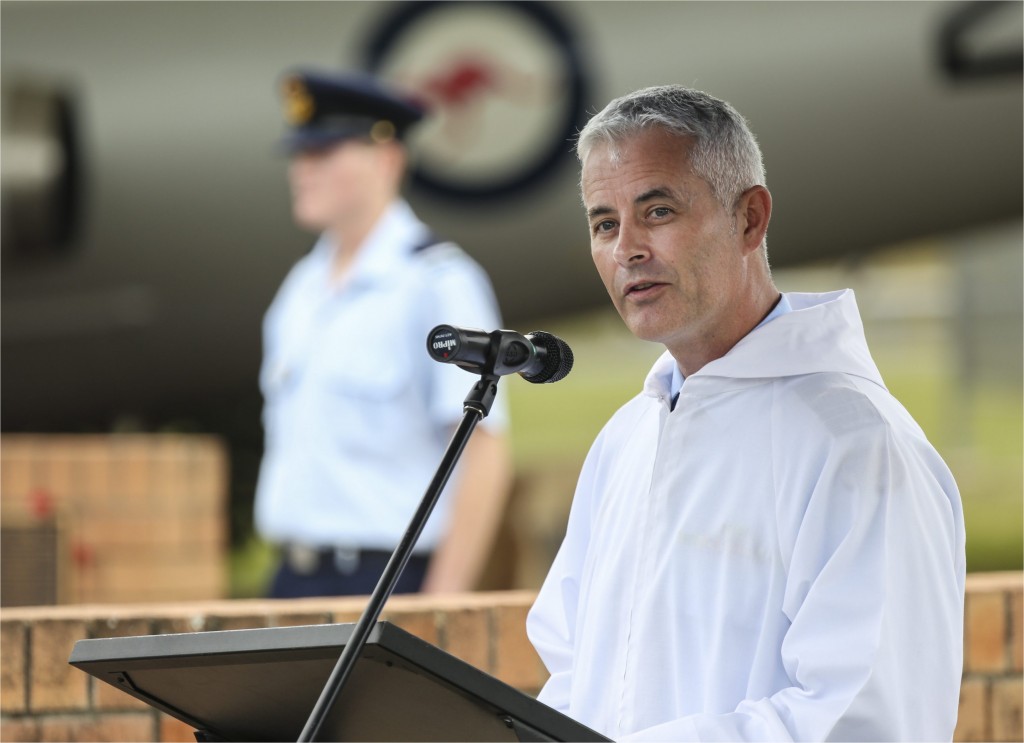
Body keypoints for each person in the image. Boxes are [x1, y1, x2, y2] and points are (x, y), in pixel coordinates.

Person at [526, 85, 966, 741]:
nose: (627, 249)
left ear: (750, 219)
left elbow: (864, 716)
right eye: (604, 223)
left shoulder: (858, 447)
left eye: (659, 210)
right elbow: (574, 673)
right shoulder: (626, 438)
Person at [254, 69, 512, 598]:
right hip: (290, 576)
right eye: (300, 156)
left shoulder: (437, 282)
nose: (303, 171)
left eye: (324, 154)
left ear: (387, 159)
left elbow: (484, 451)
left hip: (385, 581)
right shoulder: (301, 288)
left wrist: (443, 603)